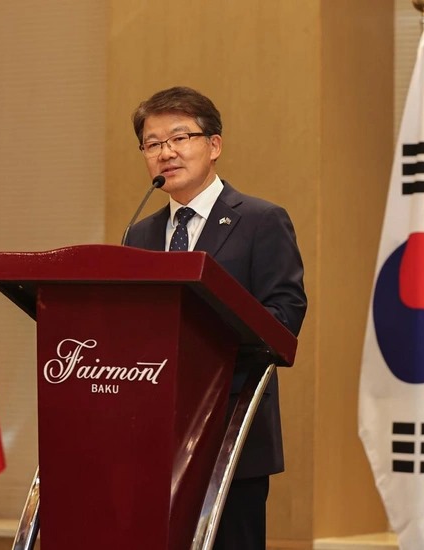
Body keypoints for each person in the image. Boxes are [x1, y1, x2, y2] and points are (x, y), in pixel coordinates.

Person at [125, 86, 307, 550]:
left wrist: (205, 340)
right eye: (152, 143)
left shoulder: (261, 221)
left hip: (231, 432)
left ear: (214, 145)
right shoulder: (139, 235)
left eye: (179, 137)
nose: (166, 152)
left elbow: (284, 316)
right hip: (154, 439)